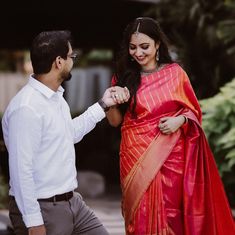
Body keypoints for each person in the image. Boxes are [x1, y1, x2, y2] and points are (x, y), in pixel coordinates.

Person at [106, 17, 235, 235]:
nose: (138, 53)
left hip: (172, 159)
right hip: (134, 157)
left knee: (172, 214)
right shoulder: (122, 78)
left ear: (157, 45)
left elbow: (193, 112)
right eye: (133, 47)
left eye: (144, 46)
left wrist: (180, 120)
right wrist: (109, 101)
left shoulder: (175, 74)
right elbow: (115, 121)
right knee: (138, 217)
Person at [1, 30, 130, 235]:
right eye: (72, 57)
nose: (73, 61)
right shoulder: (26, 108)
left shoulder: (55, 97)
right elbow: (20, 172)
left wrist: (104, 104)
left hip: (73, 204)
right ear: (59, 62)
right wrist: (34, 224)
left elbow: (70, 134)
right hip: (44, 210)